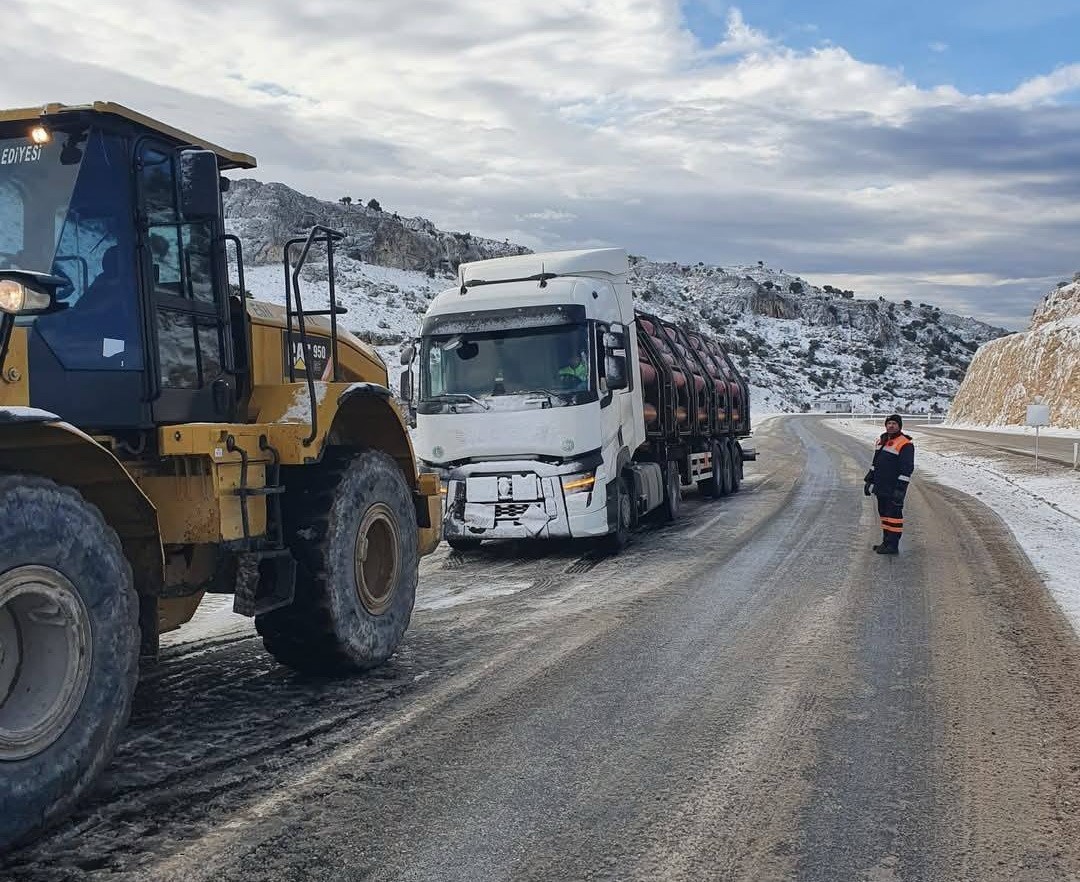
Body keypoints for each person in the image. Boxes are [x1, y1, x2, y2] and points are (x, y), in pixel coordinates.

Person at [863, 413, 914, 555]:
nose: (891, 426)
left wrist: (900, 489)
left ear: (899, 426)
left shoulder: (905, 444)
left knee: (893, 516)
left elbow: (907, 469)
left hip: (894, 487)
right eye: (889, 423)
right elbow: (875, 464)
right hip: (881, 486)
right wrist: (869, 480)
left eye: (894, 423)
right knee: (884, 515)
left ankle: (893, 545)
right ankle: (886, 542)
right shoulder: (882, 441)